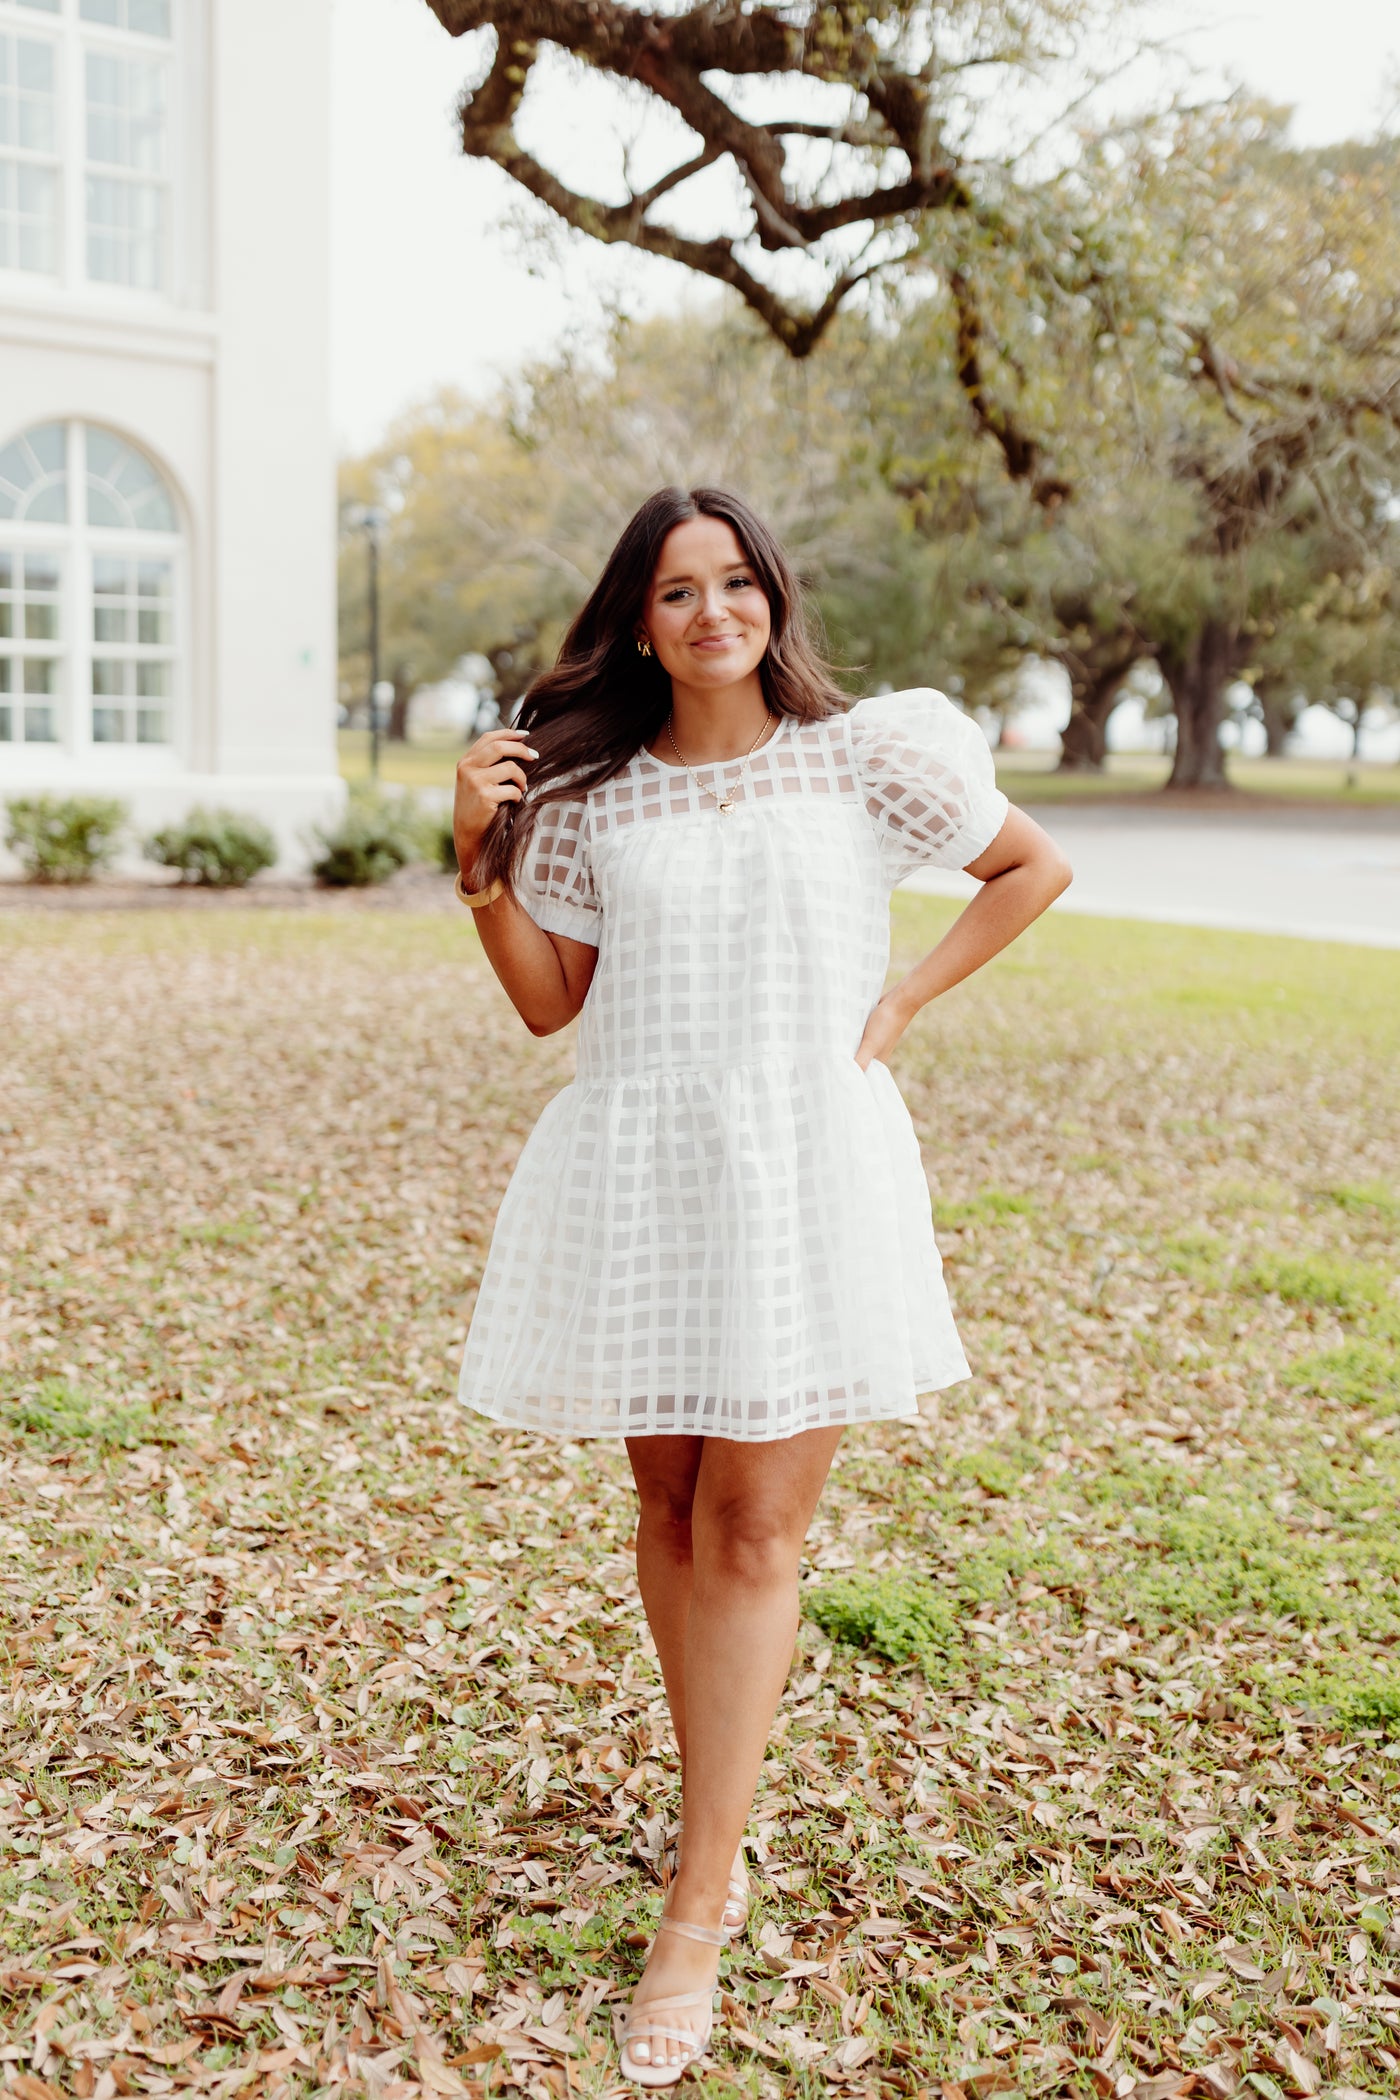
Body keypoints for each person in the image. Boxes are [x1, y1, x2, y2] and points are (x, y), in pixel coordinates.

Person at [449, 486, 1071, 2086]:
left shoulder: (866, 752)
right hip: (646, 1174)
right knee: (665, 1509)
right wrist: (477, 863)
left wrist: (905, 1001)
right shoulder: (592, 799)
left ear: (772, 597)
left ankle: (700, 1898)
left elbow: (1029, 867)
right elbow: (546, 1009)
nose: (710, 611)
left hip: (807, 1172)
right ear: (638, 621)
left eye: (734, 582)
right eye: (675, 590)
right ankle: (709, 1788)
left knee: (754, 1525)